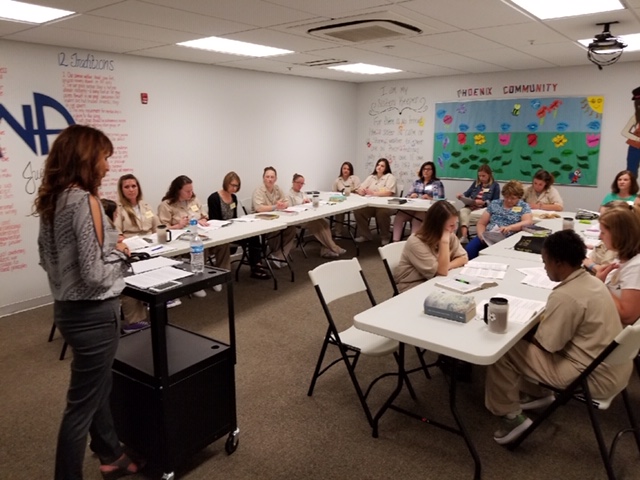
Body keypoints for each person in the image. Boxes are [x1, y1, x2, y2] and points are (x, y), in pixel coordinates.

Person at [35, 125, 145, 479]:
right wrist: (122, 255)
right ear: (86, 159)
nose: (107, 166)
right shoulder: (85, 202)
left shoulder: (53, 200)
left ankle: (111, 454)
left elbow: (47, 260)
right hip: (94, 314)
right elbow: (95, 273)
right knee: (79, 407)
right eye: (103, 158)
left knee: (98, 387)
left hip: (66, 310)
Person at [485, 230, 632, 446]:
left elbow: (547, 345)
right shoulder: (593, 283)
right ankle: (538, 393)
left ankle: (510, 417)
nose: (544, 267)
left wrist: (520, 330)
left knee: (503, 349)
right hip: (614, 368)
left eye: (545, 262)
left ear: (559, 263)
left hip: (591, 377)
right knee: (528, 336)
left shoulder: (566, 296)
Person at [159, 175, 223, 296]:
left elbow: (204, 216)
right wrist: (178, 225)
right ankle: (198, 281)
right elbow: (162, 228)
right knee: (200, 247)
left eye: (191, 190)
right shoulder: (166, 205)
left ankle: (218, 276)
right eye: (187, 191)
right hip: (181, 239)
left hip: (201, 233)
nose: (190, 193)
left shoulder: (194, 200)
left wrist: (203, 220)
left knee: (223, 244)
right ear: (178, 190)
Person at [393, 200, 468, 293]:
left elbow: (463, 258)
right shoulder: (416, 242)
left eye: (456, 223)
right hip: (413, 286)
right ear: (437, 226)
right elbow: (442, 271)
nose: (455, 228)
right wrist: (444, 242)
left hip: (437, 281)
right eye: (451, 225)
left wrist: (447, 265)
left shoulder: (449, 234)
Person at [207, 171, 270, 280]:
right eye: (232, 185)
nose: (234, 188)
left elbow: (234, 217)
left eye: (236, 186)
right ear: (226, 183)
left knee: (254, 236)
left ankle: (256, 266)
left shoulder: (233, 198)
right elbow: (214, 221)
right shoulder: (214, 198)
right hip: (220, 232)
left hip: (232, 230)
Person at [115, 174, 159, 327]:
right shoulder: (118, 208)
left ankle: (155, 302)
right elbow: (117, 234)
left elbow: (158, 226)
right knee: (134, 276)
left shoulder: (145, 205)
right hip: (131, 248)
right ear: (121, 190)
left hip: (150, 244)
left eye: (134, 186)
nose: (131, 189)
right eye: (126, 187)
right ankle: (134, 321)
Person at [465, 180, 532, 260]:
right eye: (506, 197)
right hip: (488, 236)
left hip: (507, 239)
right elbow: (481, 223)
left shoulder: (523, 206)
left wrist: (510, 228)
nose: (509, 200)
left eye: (513, 198)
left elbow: (528, 222)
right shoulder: (495, 203)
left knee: (495, 256)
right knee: (469, 250)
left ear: (519, 197)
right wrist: (481, 235)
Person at [595, 207, 640, 325]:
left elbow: (627, 316)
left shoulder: (636, 267)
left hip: (612, 328)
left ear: (618, 235)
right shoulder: (623, 257)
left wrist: (599, 285)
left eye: (603, 232)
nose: (600, 237)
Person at [287, 173, 346, 258]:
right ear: (293, 182)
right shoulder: (289, 195)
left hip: (308, 216)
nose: (300, 185)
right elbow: (289, 210)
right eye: (298, 183)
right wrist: (302, 204)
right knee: (318, 225)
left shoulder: (302, 193)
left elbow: (308, 203)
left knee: (324, 223)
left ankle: (326, 250)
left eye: (302, 183)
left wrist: (309, 202)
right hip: (299, 219)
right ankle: (334, 248)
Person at [252, 166, 296, 267]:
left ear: (275, 178)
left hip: (276, 219)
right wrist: (275, 206)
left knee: (291, 229)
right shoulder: (258, 191)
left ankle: (278, 256)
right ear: (263, 178)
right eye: (267, 177)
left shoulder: (277, 188)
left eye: (272, 177)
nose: (270, 179)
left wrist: (283, 205)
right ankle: (278, 257)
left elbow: (287, 202)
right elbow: (259, 208)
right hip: (261, 221)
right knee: (277, 230)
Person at [391, 161, 445, 242]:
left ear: (433, 171)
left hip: (426, 210)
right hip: (413, 207)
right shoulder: (417, 182)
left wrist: (430, 198)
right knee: (399, 216)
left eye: (428, 169)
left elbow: (441, 199)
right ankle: (395, 241)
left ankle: (412, 243)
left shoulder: (437, 183)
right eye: (424, 169)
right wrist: (411, 196)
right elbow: (407, 196)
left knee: (416, 219)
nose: (426, 171)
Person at [353, 158, 397, 245]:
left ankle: (385, 236)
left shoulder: (390, 177)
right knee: (358, 211)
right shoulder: (371, 177)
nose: (379, 167)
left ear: (386, 168)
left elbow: (389, 192)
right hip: (372, 205)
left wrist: (374, 193)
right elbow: (361, 187)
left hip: (386, 206)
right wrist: (361, 191)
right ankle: (365, 235)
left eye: (382, 166)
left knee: (382, 212)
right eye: (378, 165)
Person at [455, 164, 500, 244]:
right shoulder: (476, 183)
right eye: (479, 176)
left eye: (483, 176)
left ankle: (465, 237)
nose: (481, 178)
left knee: (468, 217)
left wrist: (484, 203)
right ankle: (464, 236)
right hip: (471, 206)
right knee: (462, 212)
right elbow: (467, 193)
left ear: (489, 175)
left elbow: (496, 202)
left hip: (483, 209)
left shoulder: (495, 186)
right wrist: (461, 196)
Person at [582, 200, 629, 275]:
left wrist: (588, 262)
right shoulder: (610, 237)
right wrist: (593, 247)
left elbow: (605, 272)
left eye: (603, 216)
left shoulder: (614, 247)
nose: (599, 220)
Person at [331, 161, 361, 236]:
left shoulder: (354, 178)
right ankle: (338, 232)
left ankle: (361, 233)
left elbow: (358, 190)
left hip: (354, 202)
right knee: (339, 210)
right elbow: (333, 192)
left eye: (348, 169)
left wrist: (352, 191)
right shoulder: (338, 180)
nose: (346, 170)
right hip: (341, 201)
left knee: (360, 211)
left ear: (351, 170)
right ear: (341, 169)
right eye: (344, 168)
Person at [621, 86, 640, 178]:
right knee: (631, 172)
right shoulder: (636, 117)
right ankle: (631, 187)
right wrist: (638, 139)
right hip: (635, 147)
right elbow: (624, 132)